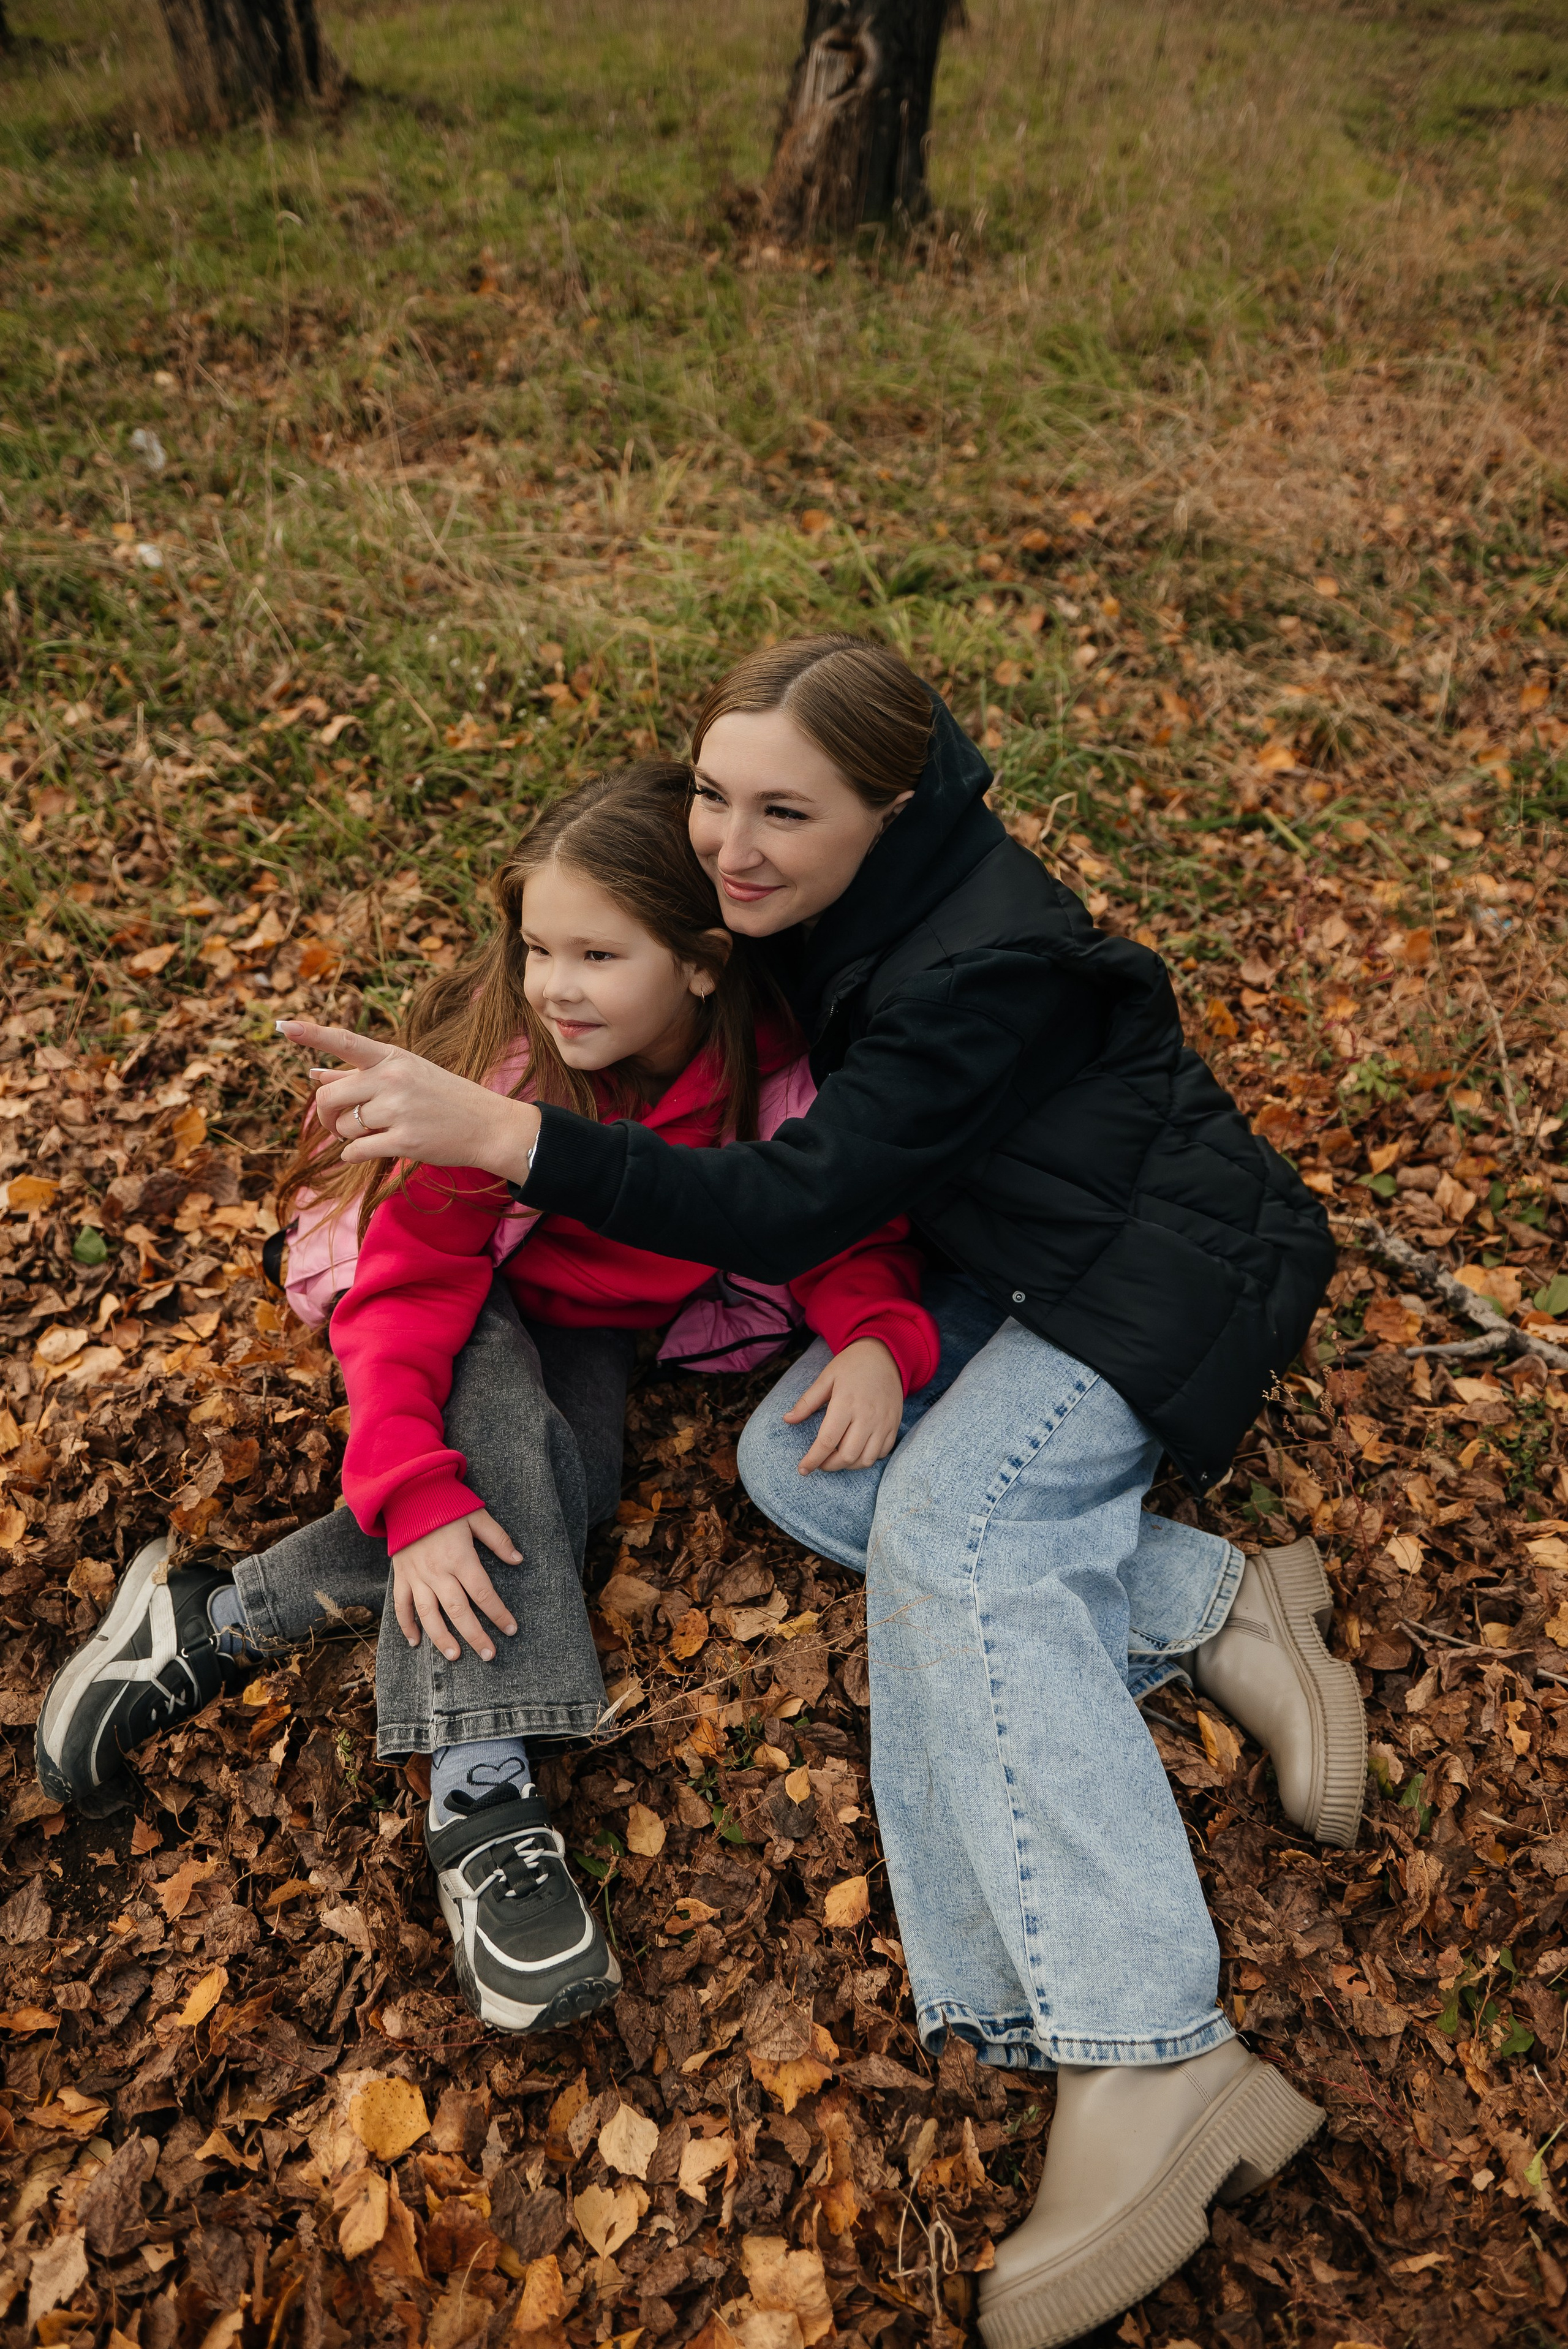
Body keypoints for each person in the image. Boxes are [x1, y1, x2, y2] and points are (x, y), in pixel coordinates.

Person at [260, 638, 1360, 2349]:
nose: (730, 842)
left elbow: (791, 1199)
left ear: (894, 812)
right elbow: (694, 1036)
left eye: (785, 810)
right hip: (1005, 1255)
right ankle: (1211, 1603)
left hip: (1143, 1280)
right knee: (791, 1457)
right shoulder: (794, 913)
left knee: (951, 1532)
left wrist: (509, 1137)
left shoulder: (981, 962)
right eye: (714, 794)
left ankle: (1153, 2047)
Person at [36, 760, 941, 2040]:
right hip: (462, 1292)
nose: (554, 985)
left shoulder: (777, 1089)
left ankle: (216, 1617)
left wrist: (877, 1337)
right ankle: (484, 1800)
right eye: (537, 950)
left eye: (596, 956)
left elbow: (835, 1223)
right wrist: (411, 1492)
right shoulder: (509, 1090)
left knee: (565, 1490)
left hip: (590, 1319)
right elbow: (411, 1294)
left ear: (700, 966)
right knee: (501, 1438)